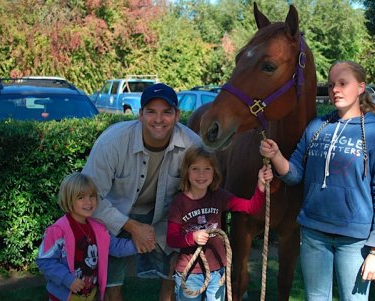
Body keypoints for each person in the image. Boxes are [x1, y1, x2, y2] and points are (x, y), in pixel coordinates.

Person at [260, 60, 375, 300]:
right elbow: (294, 174)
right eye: (332, 84)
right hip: (314, 232)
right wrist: (276, 156)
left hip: (355, 239)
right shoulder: (315, 127)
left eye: (343, 83)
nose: (335, 89)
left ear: (360, 87)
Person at [82, 83, 201, 301]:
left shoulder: (192, 145)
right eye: (151, 112)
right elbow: (87, 198)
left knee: (173, 273)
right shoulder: (112, 143)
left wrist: (185, 236)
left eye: (166, 112)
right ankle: (111, 290)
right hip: (113, 214)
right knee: (111, 283)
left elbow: (202, 194)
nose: (159, 119)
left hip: (165, 215)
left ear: (177, 115)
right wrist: (132, 226)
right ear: (140, 114)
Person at [166, 146, 273, 301]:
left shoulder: (219, 197)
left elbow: (251, 207)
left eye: (207, 169)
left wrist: (261, 185)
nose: (201, 175)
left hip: (217, 272)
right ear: (186, 172)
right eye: (195, 169)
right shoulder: (179, 203)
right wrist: (192, 237)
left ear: (214, 172)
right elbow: (171, 239)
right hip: (190, 273)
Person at [36, 172, 138, 301]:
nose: (88, 201)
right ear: (68, 199)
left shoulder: (98, 228)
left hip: (90, 295)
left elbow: (115, 246)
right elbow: (44, 261)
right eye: (80, 197)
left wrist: (137, 245)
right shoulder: (57, 230)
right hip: (63, 297)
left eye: (92, 196)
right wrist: (68, 279)